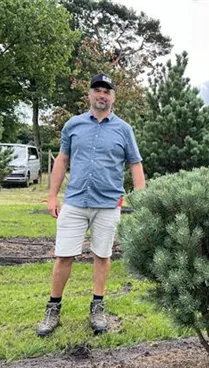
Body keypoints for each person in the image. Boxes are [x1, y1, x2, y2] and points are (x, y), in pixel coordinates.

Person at [37, 73, 145, 337]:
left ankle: (97, 305)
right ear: (89, 95)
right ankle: (53, 308)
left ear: (113, 97)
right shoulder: (73, 125)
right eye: (97, 90)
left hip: (108, 204)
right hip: (75, 202)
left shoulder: (124, 129)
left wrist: (142, 199)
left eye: (106, 91)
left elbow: (135, 164)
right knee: (63, 255)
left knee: (102, 255)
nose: (101, 95)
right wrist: (52, 196)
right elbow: (62, 160)